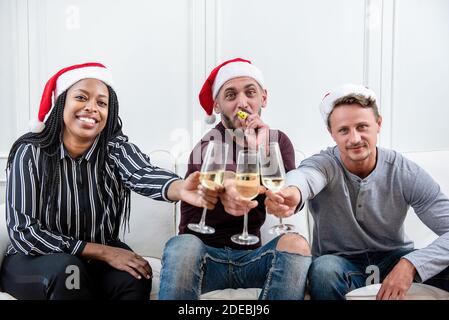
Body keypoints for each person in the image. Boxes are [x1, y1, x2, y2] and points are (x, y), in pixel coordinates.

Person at [0, 62, 215, 300]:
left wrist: (180, 187)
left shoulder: (115, 149)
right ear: (62, 102)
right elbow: (24, 232)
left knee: (136, 276)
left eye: (102, 103)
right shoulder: (31, 152)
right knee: (69, 273)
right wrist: (103, 252)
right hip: (35, 258)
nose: (92, 108)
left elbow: (143, 173)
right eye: (81, 97)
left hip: (93, 260)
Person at [265, 83, 449, 300]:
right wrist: (292, 192)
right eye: (343, 130)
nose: (354, 139)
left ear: (378, 124)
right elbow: (305, 177)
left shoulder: (403, 171)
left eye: (362, 127)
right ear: (331, 133)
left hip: (395, 258)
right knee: (324, 270)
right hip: (340, 264)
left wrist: (412, 264)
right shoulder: (324, 164)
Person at [159, 58, 312, 300]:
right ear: (217, 106)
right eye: (231, 95)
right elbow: (226, 178)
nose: (243, 103)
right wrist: (229, 187)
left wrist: (260, 149)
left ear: (264, 97)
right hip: (203, 258)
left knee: (296, 244)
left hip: (252, 257)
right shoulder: (208, 144)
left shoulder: (278, 141)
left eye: (250, 93)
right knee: (182, 245)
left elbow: (283, 195)